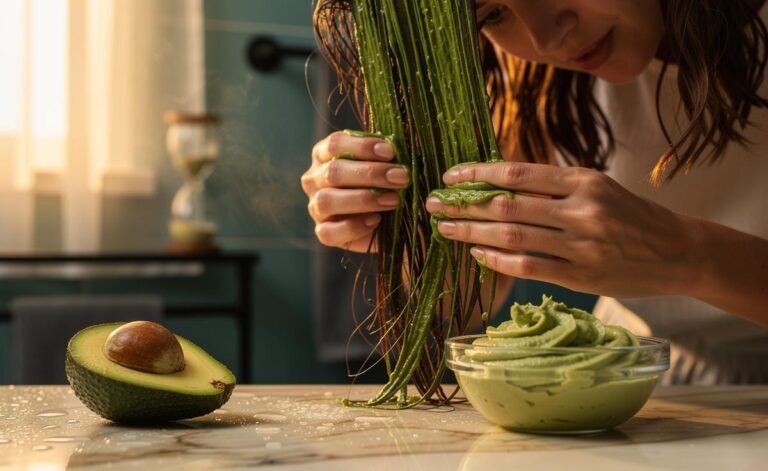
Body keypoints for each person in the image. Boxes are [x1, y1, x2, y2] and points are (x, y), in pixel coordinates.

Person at [302, 0, 768, 384]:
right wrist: (407, 229)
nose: (547, 39)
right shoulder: (527, 84)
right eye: (494, 15)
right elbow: (461, 297)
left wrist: (687, 255)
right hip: (632, 384)